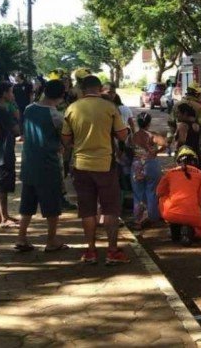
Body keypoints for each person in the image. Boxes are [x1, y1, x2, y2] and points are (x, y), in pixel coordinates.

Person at [62, 75, 130, 265]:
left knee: (87, 210)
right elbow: (123, 135)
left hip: (81, 165)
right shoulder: (109, 107)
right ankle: (112, 251)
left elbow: (66, 140)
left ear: (82, 90)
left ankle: (91, 251)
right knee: (110, 209)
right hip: (105, 165)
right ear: (99, 89)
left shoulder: (72, 108)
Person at [15, 79, 68, 253]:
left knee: (27, 204)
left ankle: (21, 238)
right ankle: (51, 240)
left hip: (29, 163)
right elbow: (65, 139)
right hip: (48, 165)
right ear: (61, 96)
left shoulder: (29, 109)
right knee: (52, 206)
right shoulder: (56, 116)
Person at [156, 146, 201, 246]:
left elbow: (158, 192)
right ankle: (191, 232)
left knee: (163, 197)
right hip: (193, 215)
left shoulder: (170, 173)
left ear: (178, 161)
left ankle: (175, 229)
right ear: (195, 161)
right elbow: (200, 201)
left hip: (170, 213)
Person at [0, 81, 20, 227]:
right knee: (3, 184)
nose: (12, 95)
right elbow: (16, 130)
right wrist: (16, 114)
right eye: (11, 92)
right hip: (4, 150)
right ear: (4, 94)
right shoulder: (3, 110)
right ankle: (4, 216)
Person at [129, 111, 167, 229]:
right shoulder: (153, 135)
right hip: (151, 164)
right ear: (149, 123)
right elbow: (164, 144)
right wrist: (156, 152)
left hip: (137, 165)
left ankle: (138, 220)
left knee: (138, 193)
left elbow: (128, 148)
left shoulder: (133, 136)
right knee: (152, 192)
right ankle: (152, 218)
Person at [170, 82, 201, 147]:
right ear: (196, 94)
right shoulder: (199, 107)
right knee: (198, 155)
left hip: (179, 140)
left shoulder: (176, 105)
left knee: (178, 155)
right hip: (194, 140)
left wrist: (170, 138)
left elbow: (171, 123)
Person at [174, 103, 201, 168]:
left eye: (178, 113)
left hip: (185, 156)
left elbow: (181, 141)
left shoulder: (182, 125)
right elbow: (198, 143)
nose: (177, 115)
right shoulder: (197, 125)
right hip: (196, 155)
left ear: (185, 113)